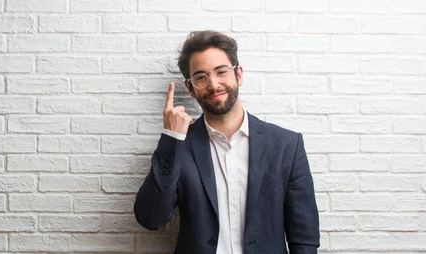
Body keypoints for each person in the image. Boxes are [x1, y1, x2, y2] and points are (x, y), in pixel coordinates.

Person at [134, 30, 320, 254]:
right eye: (201, 77)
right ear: (190, 88)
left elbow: (304, 238)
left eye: (221, 71)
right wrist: (171, 139)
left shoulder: (286, 145)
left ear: (238, 74)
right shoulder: (180, 146)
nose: (213, 84)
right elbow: (151, 218)